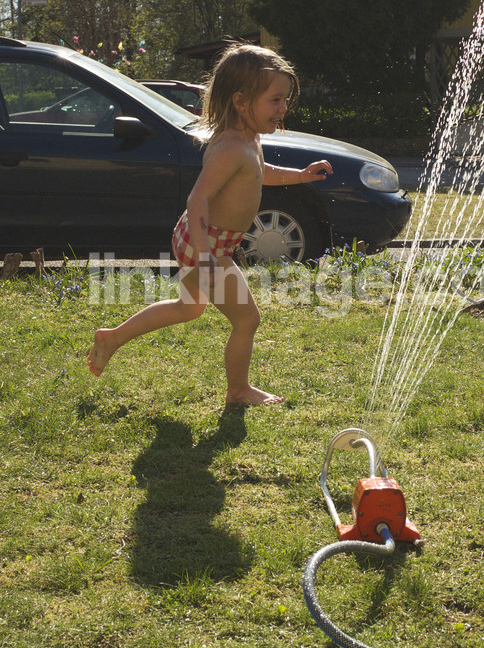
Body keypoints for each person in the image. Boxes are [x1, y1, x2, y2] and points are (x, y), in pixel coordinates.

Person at [87, 45, 332, 405]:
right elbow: (197, 199)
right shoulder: (231, 147)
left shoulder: (248, 138)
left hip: (203, 239)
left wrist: (300, 175)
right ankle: (238, 391)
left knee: (188, 308)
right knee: (247, 320)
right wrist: (205, 257)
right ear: (241, 101)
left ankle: (112, 338)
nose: (283, 108)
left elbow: (260, 173)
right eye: (275, 100)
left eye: (285, 100)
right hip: (207, 243)